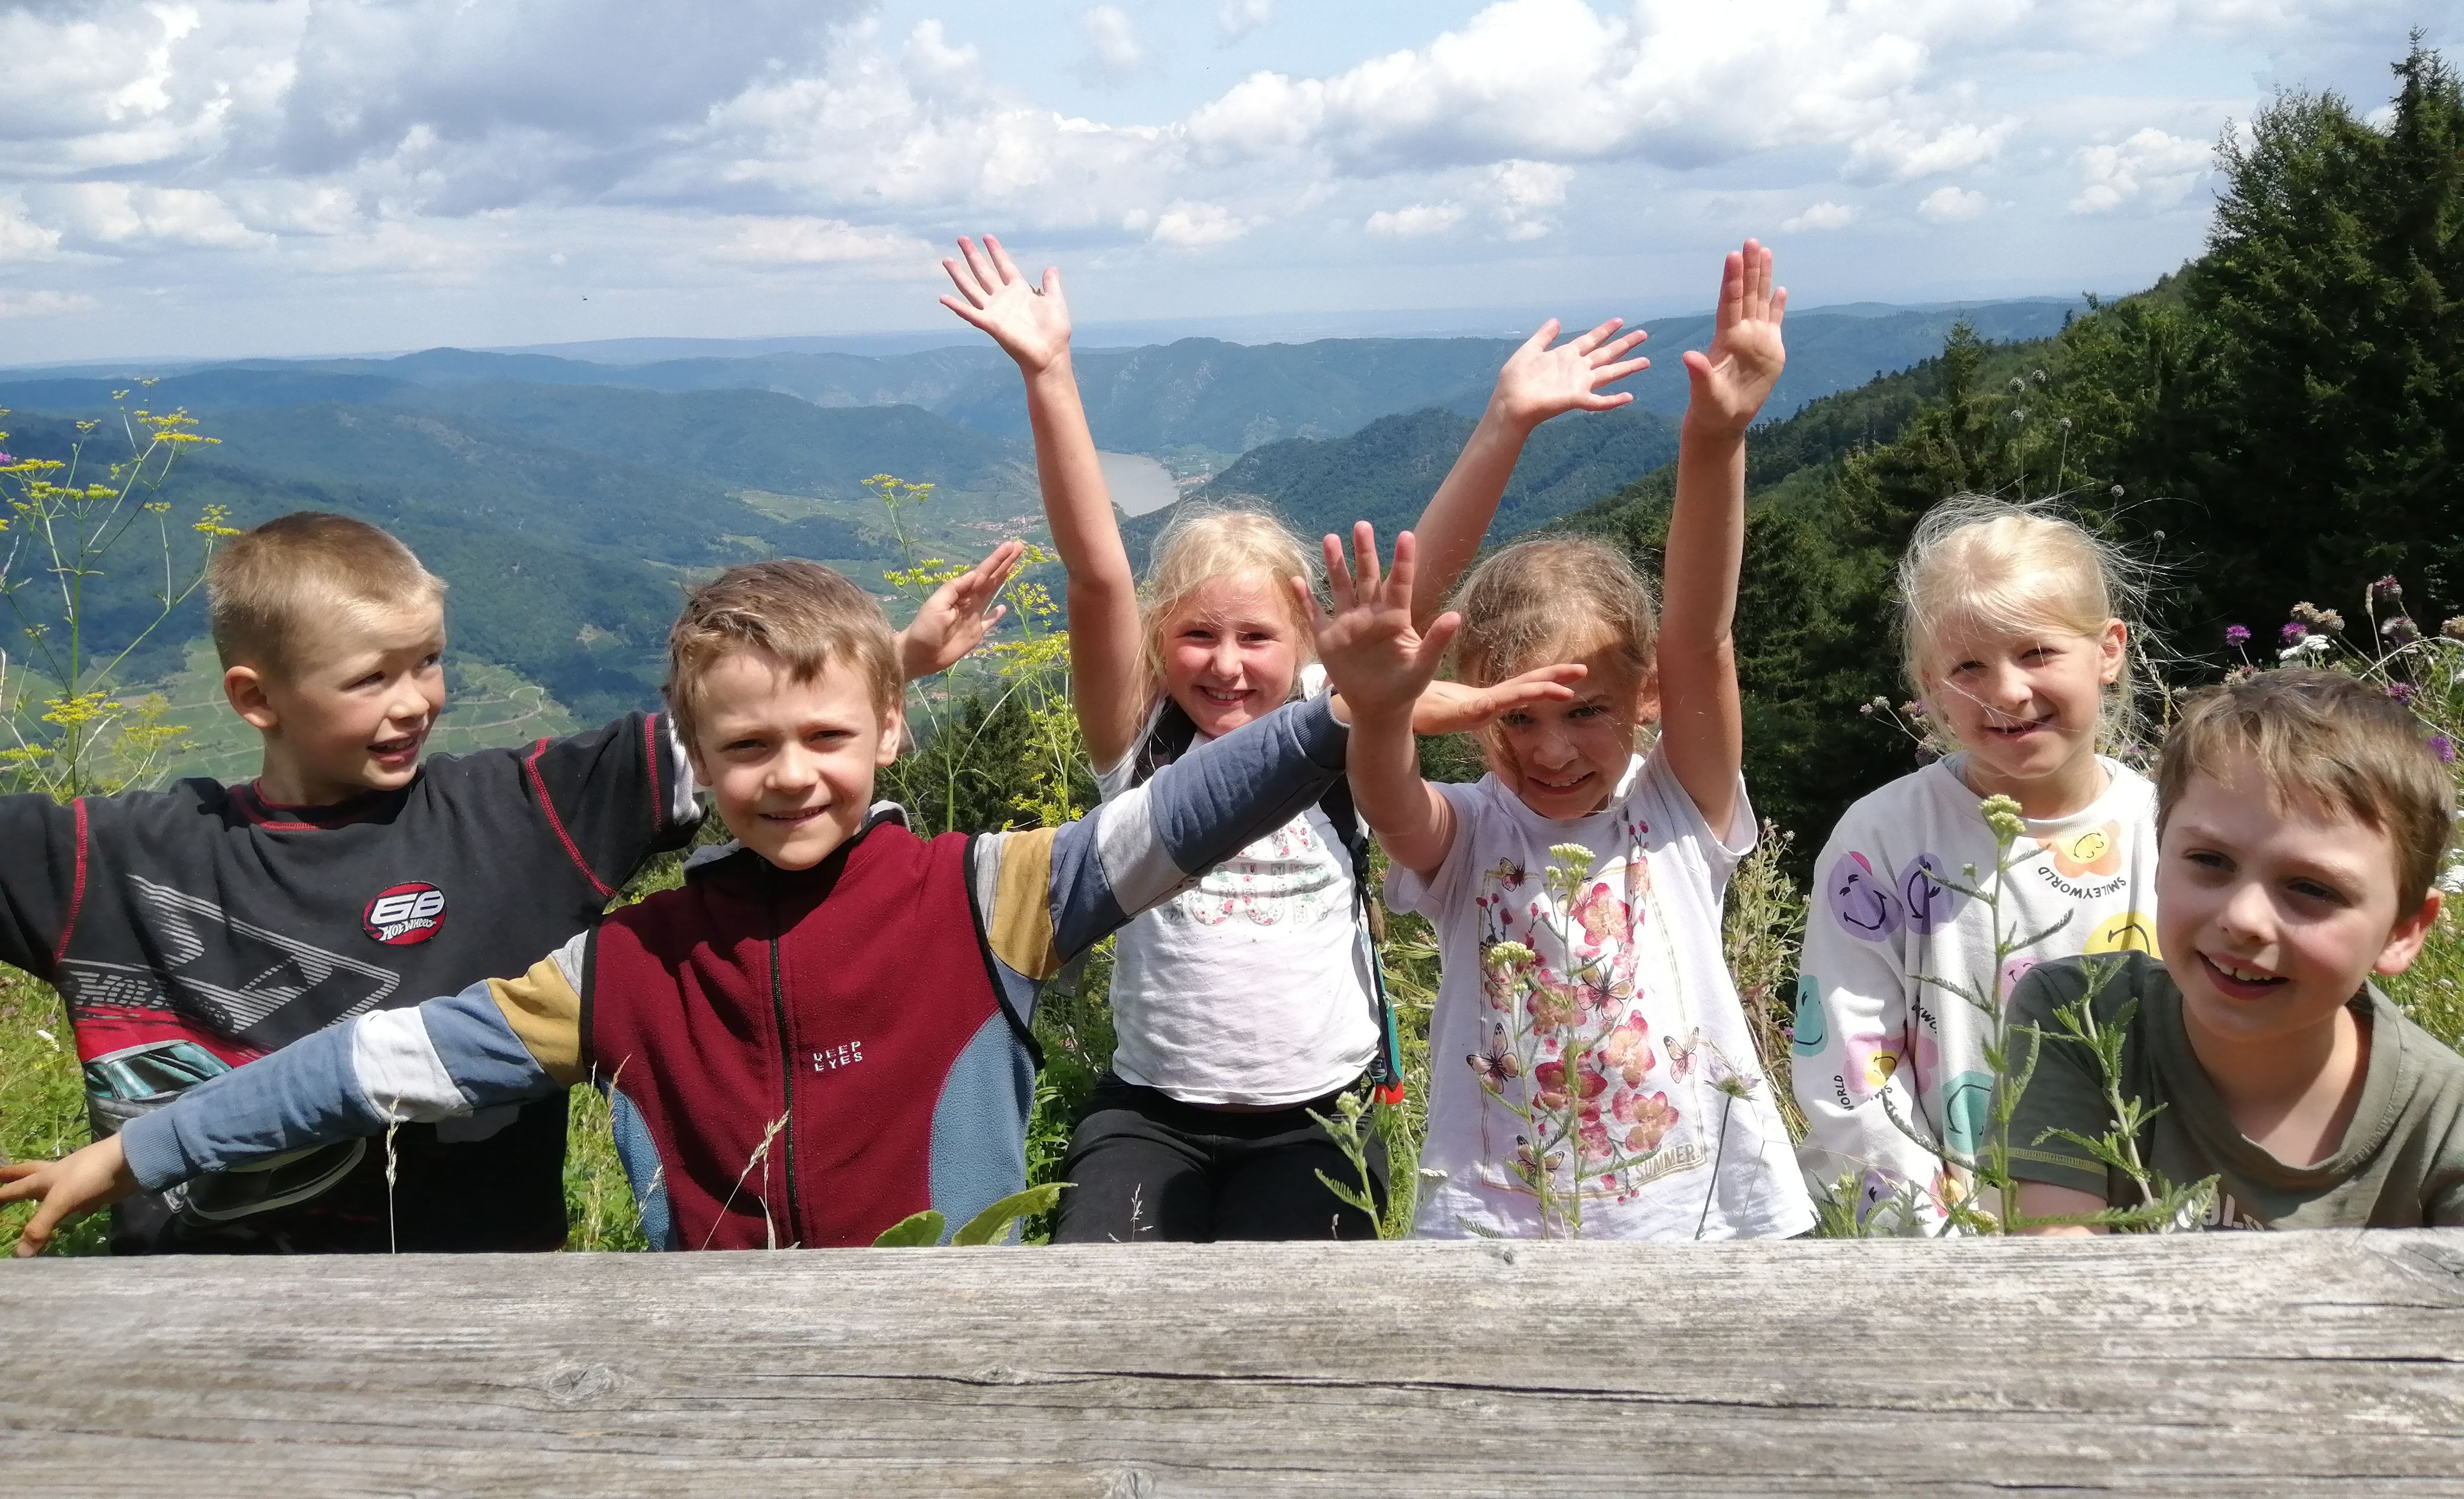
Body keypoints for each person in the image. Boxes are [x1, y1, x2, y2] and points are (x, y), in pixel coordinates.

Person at [0, 545, 1452, 1254]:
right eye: (748, 746)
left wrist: (1340, 717)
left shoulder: (984, 894)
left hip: (957, 1359)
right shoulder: (622, 966)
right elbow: (366, 1065)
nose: (792, 774)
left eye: (826, 737)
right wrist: (143, 1151)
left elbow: (1177, 815)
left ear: (891, 732)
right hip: (716, 1384)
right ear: (693, 760)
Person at [0, 510, 1019, 1254]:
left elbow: (758, 731)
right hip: (187, 1309)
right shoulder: (112, 855)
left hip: (482, 1301)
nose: (417, 703)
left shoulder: (525, 812)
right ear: (253, 698)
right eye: (371, 679)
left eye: (431, 662)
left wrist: (901, 658)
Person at [937, 237, 1625, 1243]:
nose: (1225, 665)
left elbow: (1414, 586)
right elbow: (1097, 577)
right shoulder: (1138, 745)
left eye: (1257, 638)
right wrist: (1050, 374)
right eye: (1197, 636)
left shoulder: (1336, 731)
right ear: (1158, 647)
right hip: (1150, 1115)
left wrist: (1506, 420)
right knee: (1096, 1321)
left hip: (1320, 1120)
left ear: (1305, 645)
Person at [1339, 240, 1815, 1240]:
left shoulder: (1679, 809)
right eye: (1519, 715)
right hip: (1503, 1227)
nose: (1552, 749)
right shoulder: (1469, 836)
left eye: (1585, 711)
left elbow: (1700, 634)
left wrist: (1716, 439)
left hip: (1705, 1215)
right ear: (1476, 706)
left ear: (1647, 697)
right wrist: (1382, 710)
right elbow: (1388, 799)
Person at [1788, 497, 2160, 1230]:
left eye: (2037, 652)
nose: (2007, 692)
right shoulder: (1881, 839)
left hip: (2147, 1232)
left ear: (2108, 650)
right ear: (1927, 689)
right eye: (1966, 667)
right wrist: (1951, 1231)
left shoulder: (2169, 831)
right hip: (1941, 1244)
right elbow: (1845, 1068)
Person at [2010, 669, 2463, 1232]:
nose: (2243, 918)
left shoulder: (2446, 1123)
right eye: (2209, 861)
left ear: (2403, 932)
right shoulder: (2078, 1017)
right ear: (2158, 856)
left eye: (2312, 889)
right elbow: (2058, 1273)